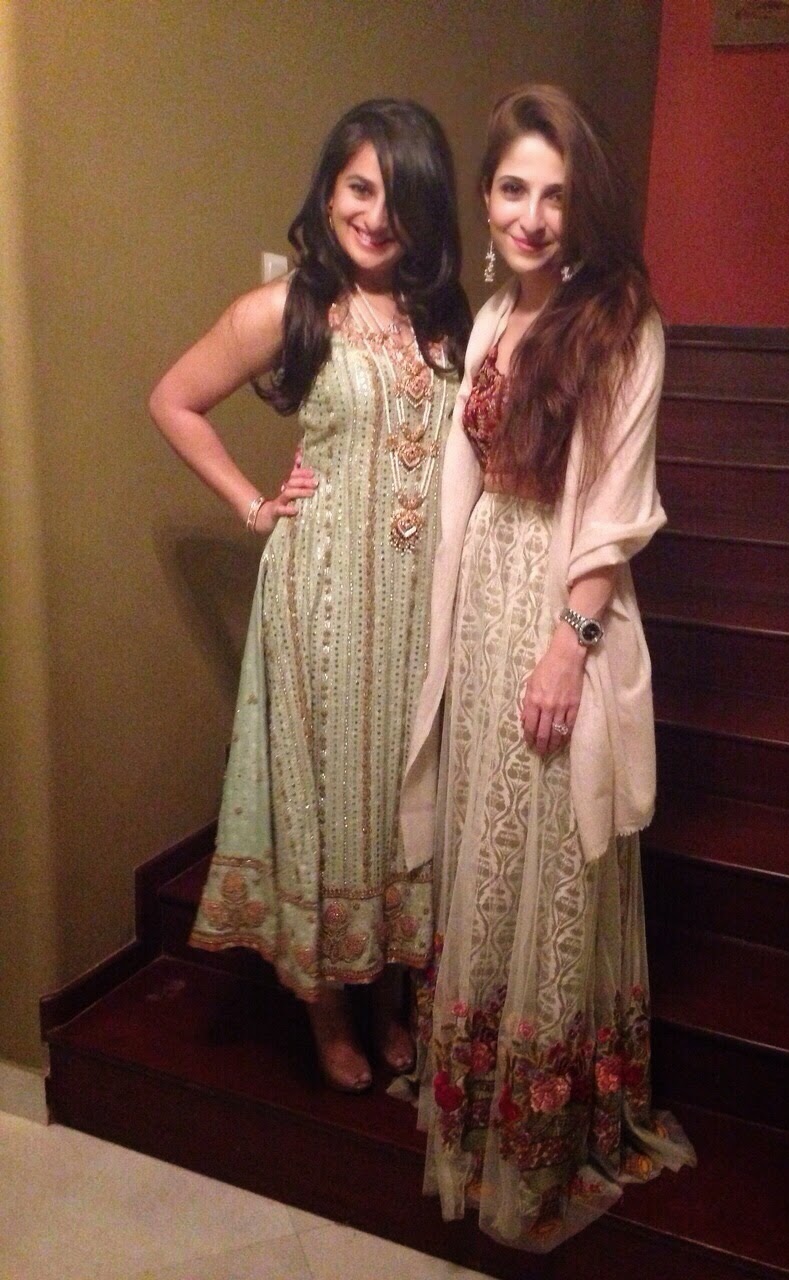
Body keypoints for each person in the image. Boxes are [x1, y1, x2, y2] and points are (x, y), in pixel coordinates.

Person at [398, 85, 696, 1250]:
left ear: (585, 206)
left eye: (555, 194)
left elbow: (616, 507)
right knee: (485, 842)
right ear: (485, 198)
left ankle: (542, 1133)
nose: (531, 215)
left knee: (547, 859)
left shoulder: (623, 322)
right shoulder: (489, 319)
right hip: (480, 606)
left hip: (558, 608)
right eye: (513, 188)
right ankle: (471, 1103)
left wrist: (568, 647)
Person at [149, 99, 471, 1093]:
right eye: (358, 188)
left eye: (397, 197)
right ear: (328, 192)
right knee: (330, 799)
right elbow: (173, 399)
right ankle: (329, 1007)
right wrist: (253, 504)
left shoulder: (446, 316)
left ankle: (390, 992)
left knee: (402, 794)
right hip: (321, 598)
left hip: (420, 601)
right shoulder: (289, 308)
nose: (375, 215)